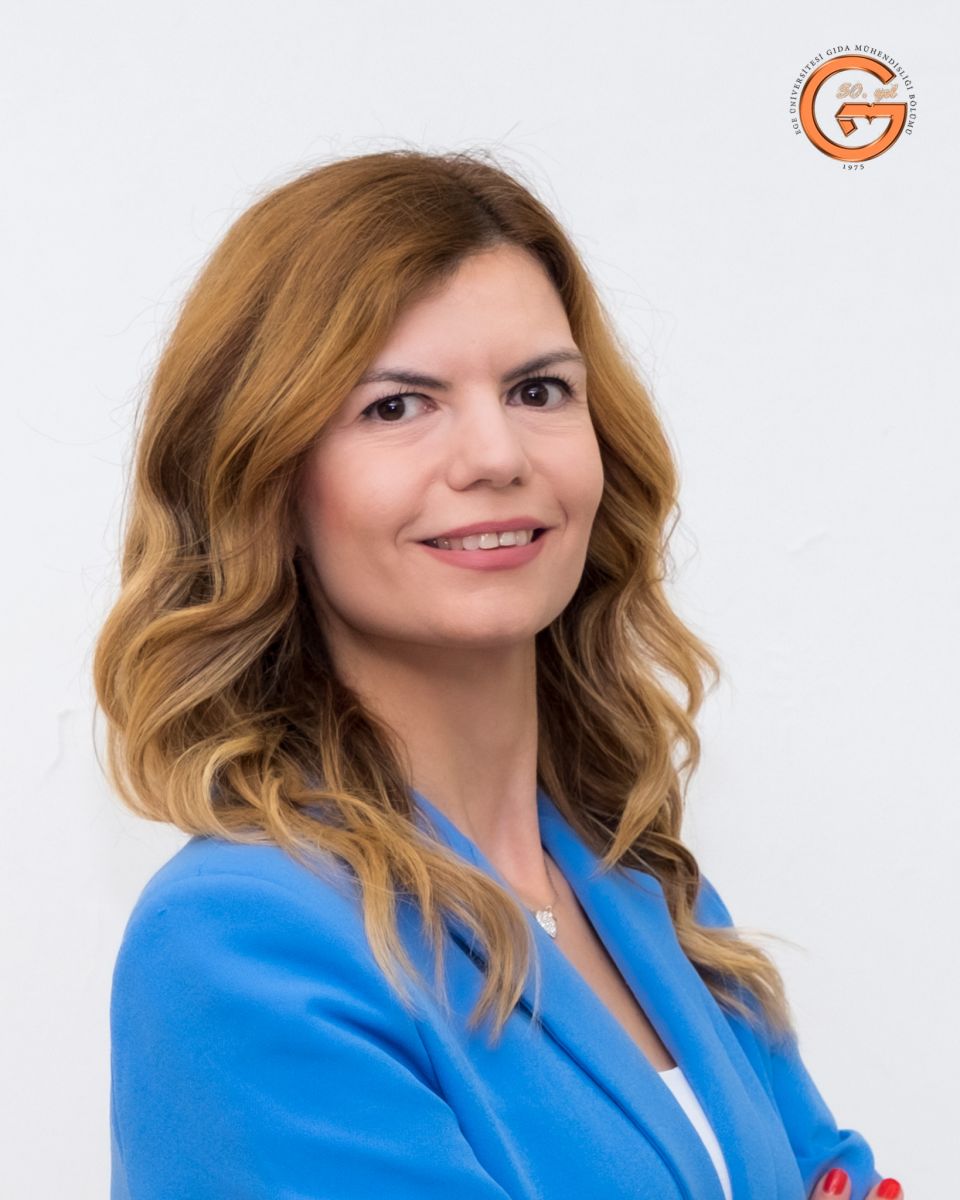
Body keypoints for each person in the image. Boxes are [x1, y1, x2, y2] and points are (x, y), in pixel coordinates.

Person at [95, 148, 901, 1200]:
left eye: (538, 390)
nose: (497, 455)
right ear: (267, 485)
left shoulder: (640, 884)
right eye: (397, 406)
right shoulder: (240, 940)